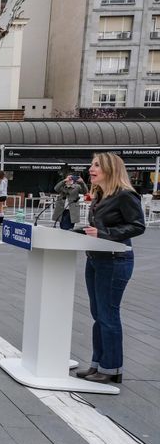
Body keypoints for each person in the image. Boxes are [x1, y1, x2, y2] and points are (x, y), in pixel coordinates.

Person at [74, 153, 145, 384]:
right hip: (96, 259)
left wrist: (105, 234)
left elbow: (137, 226)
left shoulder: (125, 195)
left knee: (108, 315)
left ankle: (112, 368)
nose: (91, 169)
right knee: (98, 315)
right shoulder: (101, 195)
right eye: (91, 165)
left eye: (96, 165)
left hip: (115, 261)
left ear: (110, 169)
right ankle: (98, 364)